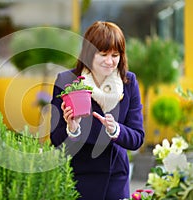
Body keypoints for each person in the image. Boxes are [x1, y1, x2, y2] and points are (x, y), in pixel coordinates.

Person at [50, 21, 145, 199]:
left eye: (115, 55)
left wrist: (115, 129)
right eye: (103, 54)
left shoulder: (129, 83)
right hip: (76, 178)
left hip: (115, 179)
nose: (110, 62)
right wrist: (72, 127)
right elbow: (55, 140)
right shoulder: (66, 81)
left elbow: (137, 138)